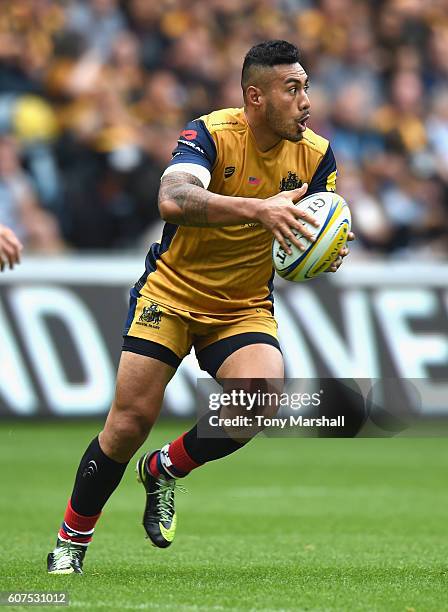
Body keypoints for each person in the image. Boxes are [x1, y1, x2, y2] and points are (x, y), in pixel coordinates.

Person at [47, 40, 354, 574]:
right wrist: (256, 210)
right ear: (255, 97)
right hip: (171, 293)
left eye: (306, 87)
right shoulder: (210, 133)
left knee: (258, 401)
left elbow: (308, 231)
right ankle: (70, 546)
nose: (306, 100)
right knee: (126, 426)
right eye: (292, 89)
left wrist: (324, 251)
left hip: (242, 305)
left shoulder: (318, 155)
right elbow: (173, 200)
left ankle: (165, 468)